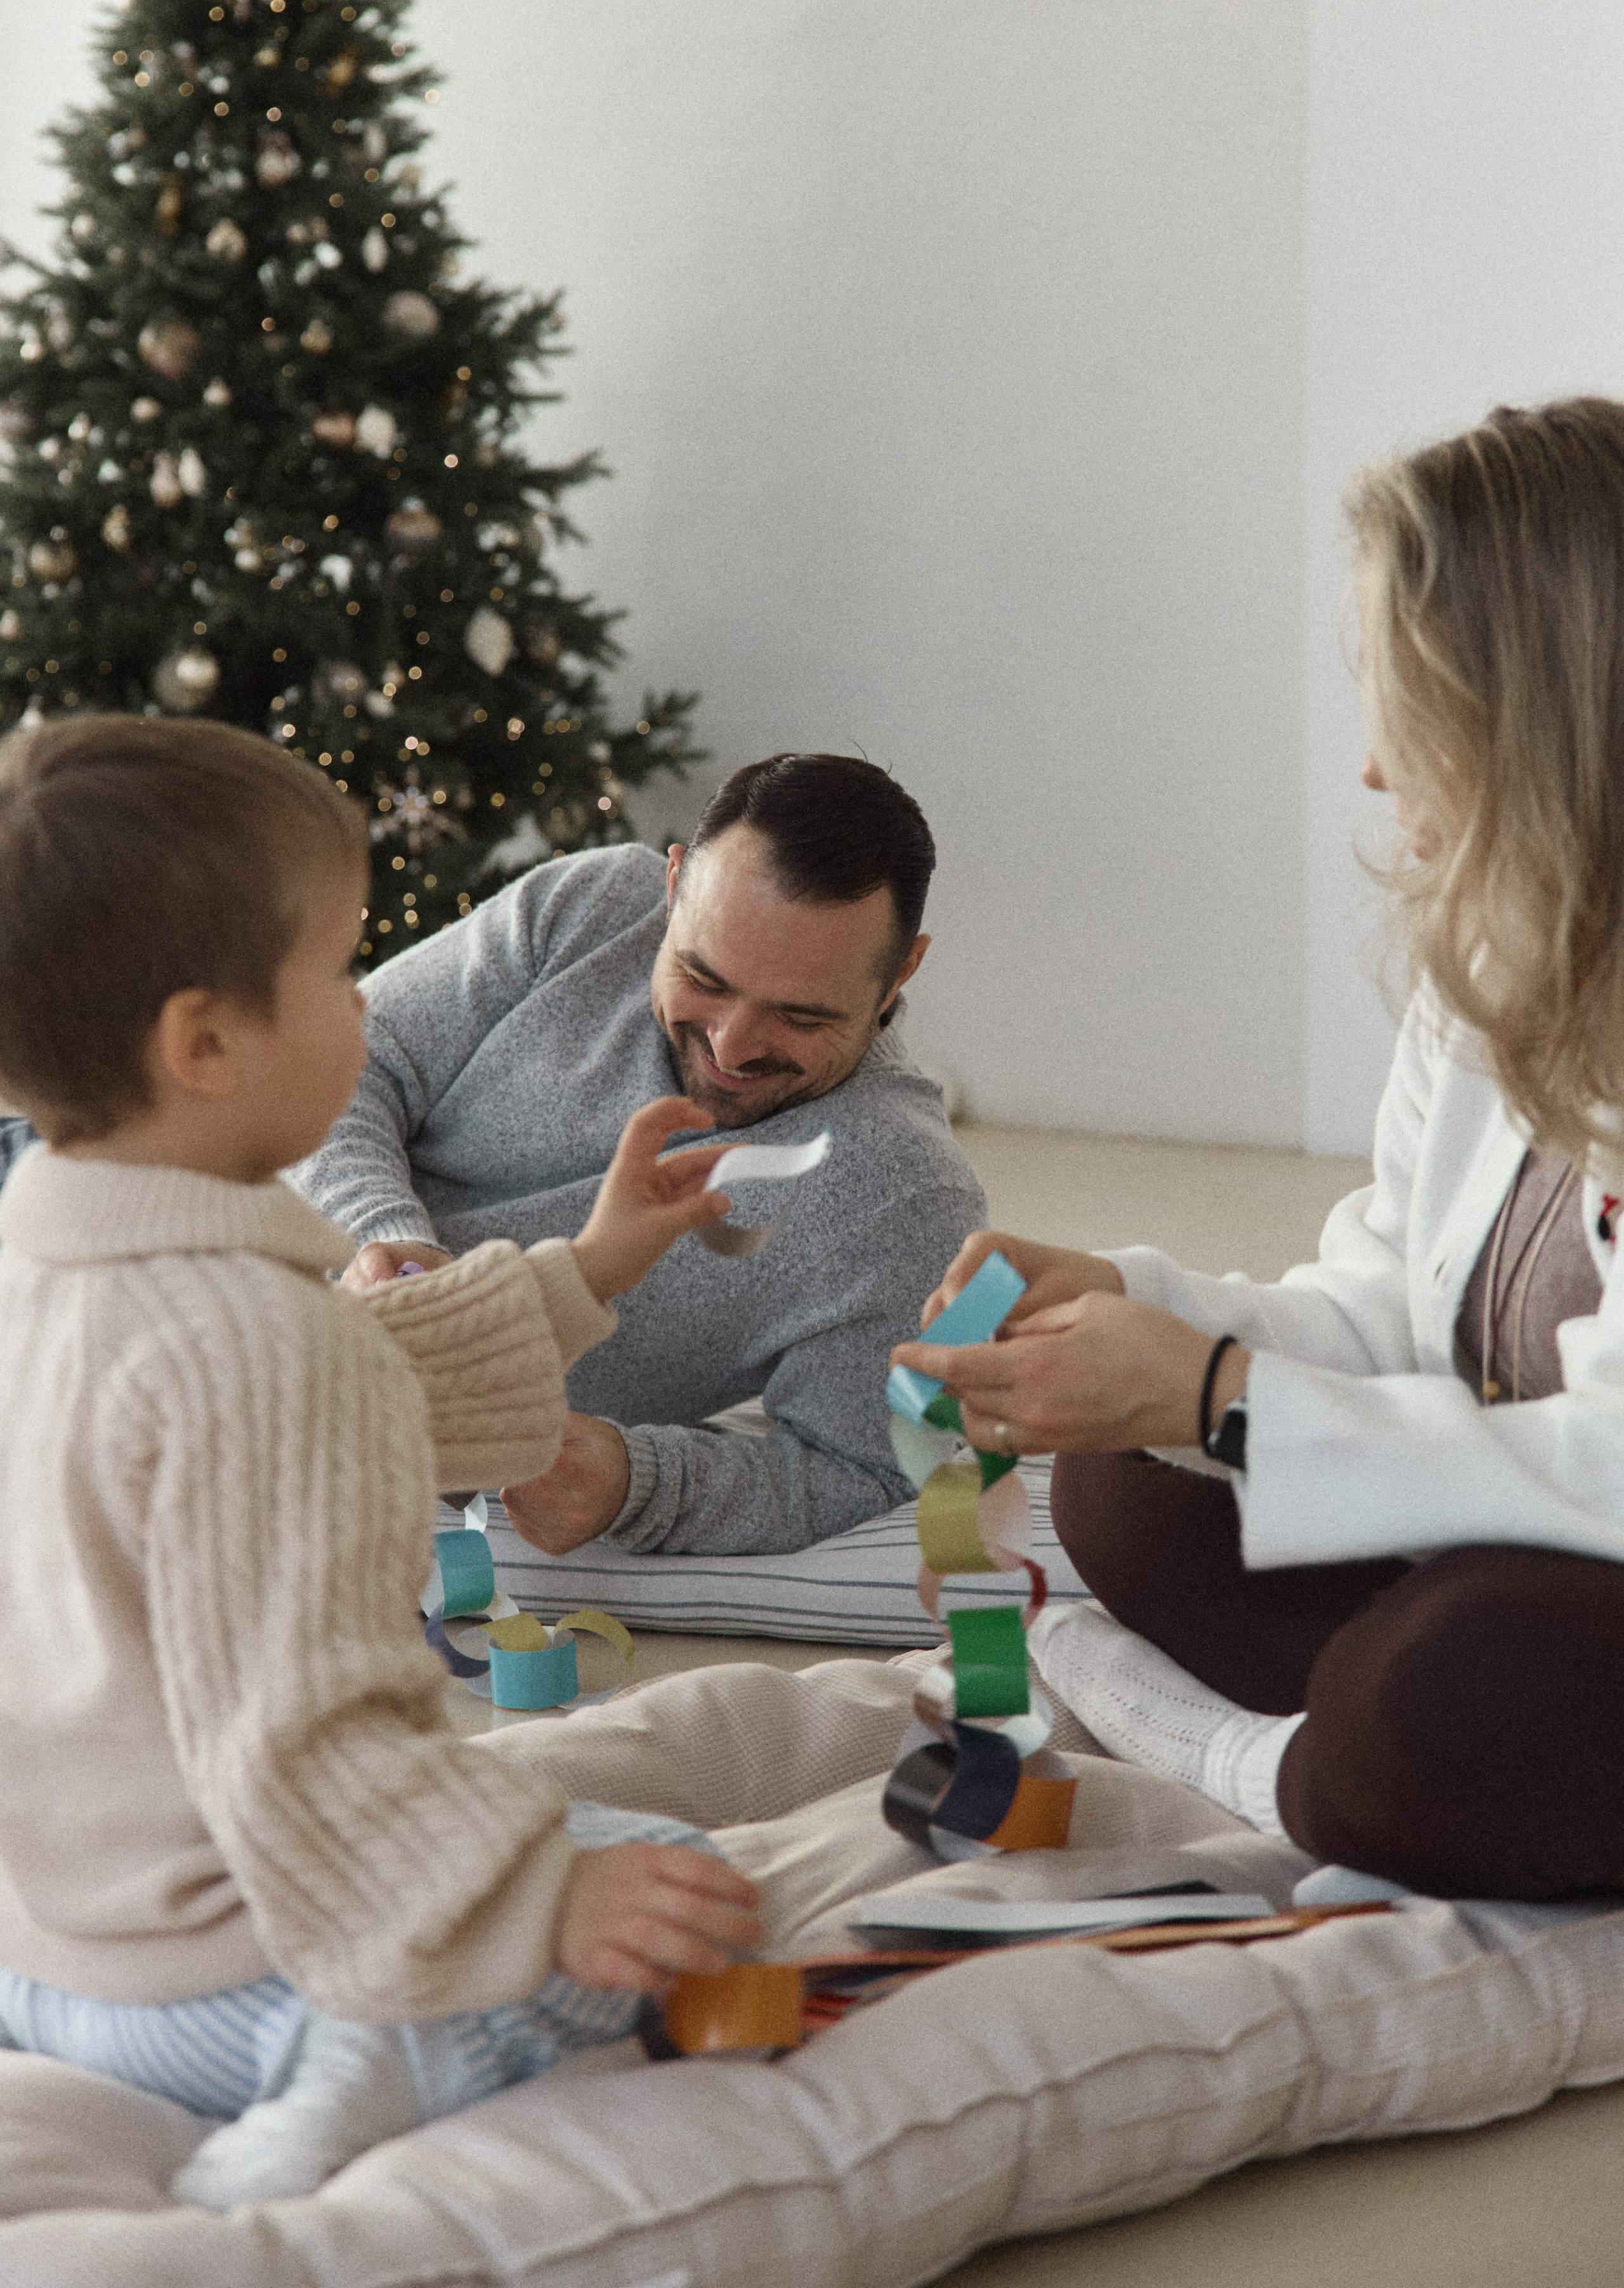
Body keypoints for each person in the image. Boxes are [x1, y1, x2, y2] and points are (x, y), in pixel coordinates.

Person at [0, 716, 764, 2207]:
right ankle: (369, 2065)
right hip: (236, 1981)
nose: (365, 1002)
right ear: (205, 1045)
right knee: (668, 1881)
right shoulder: (268, 1349)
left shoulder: (46, 1265)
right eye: (339, 969)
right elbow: (311, 1726)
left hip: (42, 1944)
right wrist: (541, 1897)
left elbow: (359, 1385)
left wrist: (589, 1265)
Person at [892, 396, 1624, 1904]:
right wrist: (1142, 1315)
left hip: (1576, 1562)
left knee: (1444, 1683)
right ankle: (1357, 1756)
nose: (1371, 769)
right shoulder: (1495, 959)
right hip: (1522, 1541)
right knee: (1125, 1480)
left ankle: (1249, 1762)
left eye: (1405, 706)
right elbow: (1386, 1311)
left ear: (1533, 721)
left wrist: (1218, 1393)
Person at [294, 752, 985, 1559]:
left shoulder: (907, 1197)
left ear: (901, 972)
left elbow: (863, 1469)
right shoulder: (590, 904)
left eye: (801, 1018)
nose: (731, 1046)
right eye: (702, 976)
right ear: (674, 884)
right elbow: (339, 1061)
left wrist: (638, 1481)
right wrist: (381, 1232)